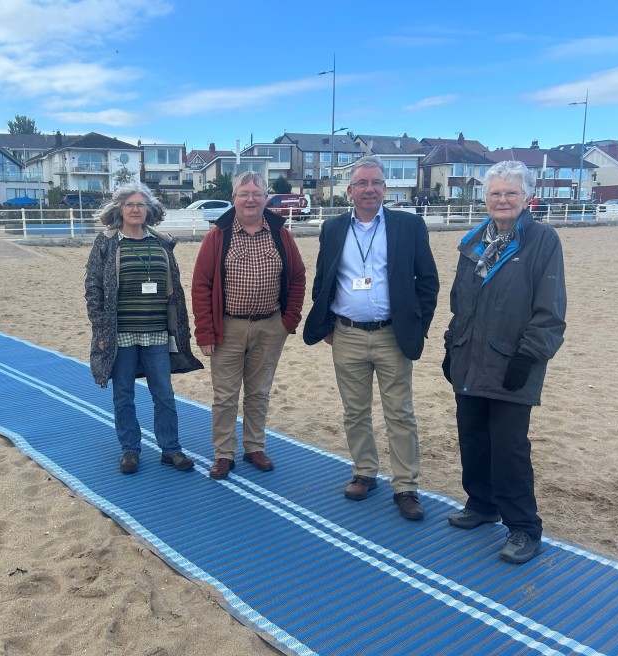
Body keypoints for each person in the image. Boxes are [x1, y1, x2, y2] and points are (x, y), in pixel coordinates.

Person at [443, 160, 566, 564]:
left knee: (509, 449)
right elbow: (460, 302)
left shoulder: (542, 241)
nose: (502, 199)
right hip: (469, 358)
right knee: (473, 438)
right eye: (495, 192)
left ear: (527, 197)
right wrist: (451, 345)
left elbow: (550, 311)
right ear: (485, 198)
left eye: (511, 193)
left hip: (513, 363)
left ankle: (524, 527)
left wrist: (528, 357)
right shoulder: (474, 241)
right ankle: (482, 503)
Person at [303, 156, 439, 520]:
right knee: (355, 411)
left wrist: (417, 325)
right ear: (349, 191)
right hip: (346, 334)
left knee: (400, 413)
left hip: (393, 334)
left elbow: (428, 282)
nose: (370, 189)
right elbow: (323, 278)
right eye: (362, 183)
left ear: (385, 188)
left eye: (376, 182)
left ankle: (405, 486)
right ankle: (364, 472)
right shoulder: (333, 228)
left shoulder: (408, 226)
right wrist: (327, 324)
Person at [191, 171, 306, 480]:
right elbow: (201, 285)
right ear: (234, 199)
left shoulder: (281, 235)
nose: (251, 199)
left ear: (266, 198)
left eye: (257, 193)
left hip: (270, 326)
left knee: (259, 393)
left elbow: (297, 277)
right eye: (244, 194)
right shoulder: (218, 236)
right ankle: (224, 453)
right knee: (225, 396)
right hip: (228, 327)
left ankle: (254, 447)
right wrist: (205, 332)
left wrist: (288, 321)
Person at [85, 182, 203, 474]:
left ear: (149, 209)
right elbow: (93, 289)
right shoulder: (107, 242)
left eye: (140, 204)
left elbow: (174, 289)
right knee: (124, 394)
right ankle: (130, 450)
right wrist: (100, 331)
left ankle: (171, 450)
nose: (135, 209)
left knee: (164, 394)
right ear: (120, 209)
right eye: (130, 204)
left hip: (157, 333)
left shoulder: (161, 242)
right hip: (121, 333)